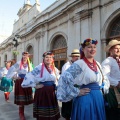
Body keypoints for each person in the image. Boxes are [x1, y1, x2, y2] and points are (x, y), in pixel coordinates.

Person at [57, 38, 110, 120]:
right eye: (89, 47)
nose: (92, 49)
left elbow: (104, 78)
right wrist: (77, 91)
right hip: (86, 98)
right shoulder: (80, 64)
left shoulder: (98, 64)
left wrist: (103, 87)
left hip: (98, 98)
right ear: (83, 49)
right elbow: (63, 79)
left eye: (94, 47)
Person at [21, 51, 60, 120]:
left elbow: (57, 78)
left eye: (50, 57)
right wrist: (34, 85)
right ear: (44, 58)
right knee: (43, 113)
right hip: (42, 91)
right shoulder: (39, 67)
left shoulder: (54, 68)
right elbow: (29, 76)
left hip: (51, 92)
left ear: (52, 59)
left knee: (51, 112)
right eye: (47, 57)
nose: (49, 59)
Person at [6, 52, 33, 120]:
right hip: (20, 81)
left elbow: (32, 72)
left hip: (26, 82)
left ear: (28, 57)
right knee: (21, 99)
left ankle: (22, 112)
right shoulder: (18, 63)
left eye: (26, 56)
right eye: (24, 55)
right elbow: (11, 70)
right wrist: (16, 76)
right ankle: (21, 113)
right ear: (22, 56)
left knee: (25, 99)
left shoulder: (29, 64)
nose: (25, 57)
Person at [101, 39, 120, 120]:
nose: (118, 50)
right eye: (116, 48)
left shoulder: (118, 60)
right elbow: (105, 76)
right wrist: (117, 83)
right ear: (110, 50)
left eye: (119, 48)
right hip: (113, 90)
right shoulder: (107, 61)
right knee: (114, 112)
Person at [61, 49, 80, 120]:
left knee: (77, 107)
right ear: (72, 57)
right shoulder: (66, 66)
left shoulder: (81, 65)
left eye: (78, 56)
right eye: (75, 56)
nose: (77, 57)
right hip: (69, 88)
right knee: (68, 108)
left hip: (78, 88)